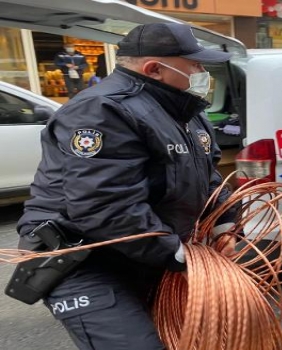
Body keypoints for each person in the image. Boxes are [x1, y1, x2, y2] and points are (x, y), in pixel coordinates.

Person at [15, 23, 238, 350]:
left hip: (145, 256)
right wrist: (178, 255)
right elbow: (105, 205)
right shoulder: (103, 110)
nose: (203, 72)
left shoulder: (186, 114)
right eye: (195, 65)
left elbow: (208, 180)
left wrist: (225, 226)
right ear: (155, 69)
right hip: (86, 262)